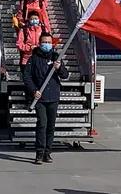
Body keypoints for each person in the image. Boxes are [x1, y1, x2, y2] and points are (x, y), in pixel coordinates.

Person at [22, 33, 68, 164]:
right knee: (42, 124)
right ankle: (39, 153)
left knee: (51, 126)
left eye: (48, 42)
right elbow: (27, 77)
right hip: (40, 98)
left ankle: (48, 153)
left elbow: (65, 75)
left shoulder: (56, 57)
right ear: (39, 43)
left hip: (53, 96)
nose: (46, 44)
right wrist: (34, 90)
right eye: (44, 42)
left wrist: (59, 68)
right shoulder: (33, 59)